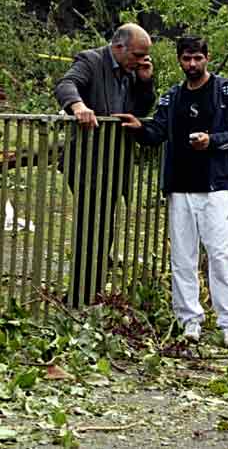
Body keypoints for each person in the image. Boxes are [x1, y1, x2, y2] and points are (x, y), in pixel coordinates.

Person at [114, 36, 228, 347]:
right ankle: (189, 320)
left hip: (215, 186)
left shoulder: (224, 91)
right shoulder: (172, 96)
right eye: (186, 59)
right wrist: (139, 127)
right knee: (182, 257)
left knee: (219, 255)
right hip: (179, 187)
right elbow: (157, 131)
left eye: (197, 59)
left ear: (207, 57)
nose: (192, 65)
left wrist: (213, 140)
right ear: (179, 59)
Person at [54, 23, 156, 307]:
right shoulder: (91, 60)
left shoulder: (132, 73)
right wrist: (78, 107)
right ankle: (78, 294)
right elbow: (65, 84)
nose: (141, 61)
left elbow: (142, 110)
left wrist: (146, 81)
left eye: (144, 56)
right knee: (91, 224)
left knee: (105, 227)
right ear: (119, 47)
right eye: (137, 55)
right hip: (88, 160)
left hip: (116, 160)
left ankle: (92, 290)